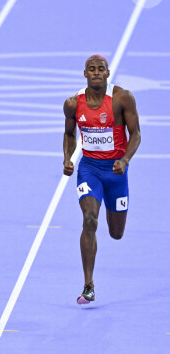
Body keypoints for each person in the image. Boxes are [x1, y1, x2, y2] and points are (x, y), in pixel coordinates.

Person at [63, 54, 141, 304]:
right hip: (90, 169)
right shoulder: (73, 104)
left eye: (101, 69)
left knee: (116, 233)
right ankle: (88, 285)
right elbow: (69, 133)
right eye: (91, 69)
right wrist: (67, 158)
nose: (96, 73)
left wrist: (125, 160)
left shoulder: (122, 98)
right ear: (84, 73)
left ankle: (111, 203)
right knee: (89, 219)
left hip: (117, 171)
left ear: (108, 74)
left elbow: (136, 134)